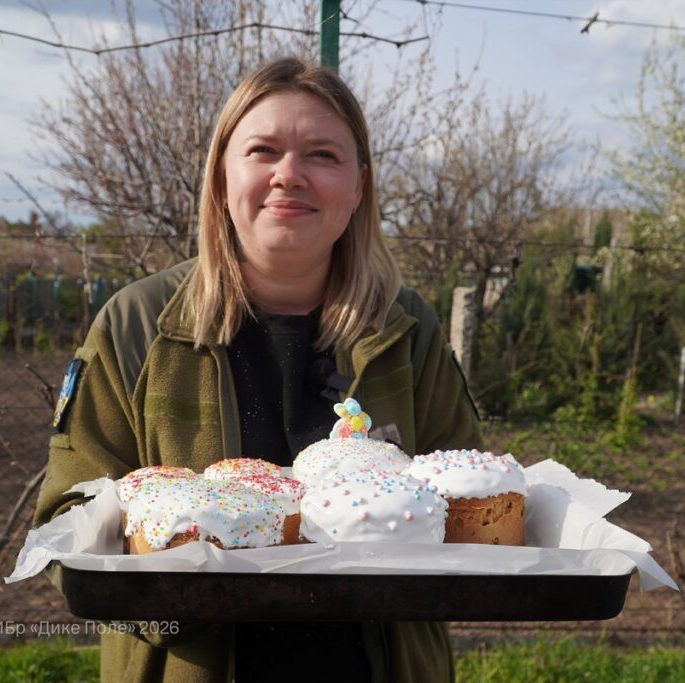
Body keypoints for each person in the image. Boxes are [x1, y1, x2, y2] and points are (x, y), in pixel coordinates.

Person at [34, 56, 482, 683]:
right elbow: (67, 525)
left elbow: (469, 510)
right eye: (263, 150)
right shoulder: (136, 326)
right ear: (221, 179)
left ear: (358, 187)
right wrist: (176, 607)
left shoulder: (405, 331)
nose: (289, 176)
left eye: (323, 155)